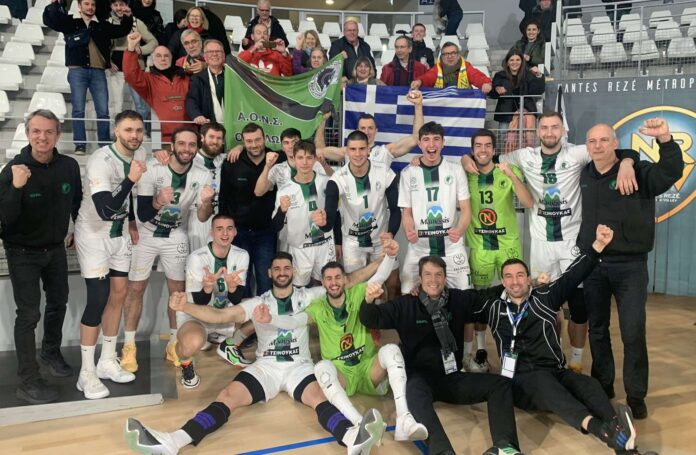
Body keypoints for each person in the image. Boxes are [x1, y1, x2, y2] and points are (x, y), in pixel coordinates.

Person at [125, 252, 387, 455]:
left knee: (320, 398)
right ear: (269, 272)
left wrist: (384, 259)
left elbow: (350, 280)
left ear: (294, 272)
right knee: (227, 397)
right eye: (277, 268)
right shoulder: (258, 302)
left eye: (287, 268)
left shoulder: (310, 296)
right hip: (267, 367)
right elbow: (221, 315)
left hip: (300, 366)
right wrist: (186, 307)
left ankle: (351, 438)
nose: (282, 272)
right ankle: (173, 441)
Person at [420, 224, 644, 454]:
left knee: (589, 384)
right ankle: (601, 430)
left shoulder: (546, 297)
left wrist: (598, 245)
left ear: (529, 279)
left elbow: (574, 274)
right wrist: (422, 292)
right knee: (543, 382)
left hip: (555, 371)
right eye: (509, 277)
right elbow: (455, 300)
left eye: (520, 276)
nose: (515, 281)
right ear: (502, 282)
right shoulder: (492, 306)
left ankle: (621, 436)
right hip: (520, 381)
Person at [461, 112, 639, 374]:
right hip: (541, 244)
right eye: (544, 127)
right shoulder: (524, 156)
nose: (549, 132)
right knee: (544, 304)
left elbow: (615, 151)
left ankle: (576, 361)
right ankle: (550, 354)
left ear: (563, 131)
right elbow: (488, 157)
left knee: (578, 306)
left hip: (571, 242)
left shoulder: (577, 153)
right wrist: (465, 158)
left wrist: (628, 163)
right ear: (537, 132)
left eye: (555, 127)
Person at [264, 241, 429, 441]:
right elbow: (294, 321)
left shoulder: (357, 293)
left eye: (337, 277)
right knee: (321, 368)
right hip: (343, 375)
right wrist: (270, 319)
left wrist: (391, 256)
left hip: (368, 369)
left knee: (392, 350)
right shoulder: (318, 308)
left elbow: (380, 277)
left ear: (344, 280)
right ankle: (359, 423)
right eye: (328, 279)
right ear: (323, 283)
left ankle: (404, 418)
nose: (333, 282)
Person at [359, 256, 523, 455]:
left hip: (452, 377)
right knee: (413, 395)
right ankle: (442, 451)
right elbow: (372, 318)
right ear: (420, 278)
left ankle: (506, 447)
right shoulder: (405, 304)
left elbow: (486, 295)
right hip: (419, 379)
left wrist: (516, 284)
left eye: (438, 275)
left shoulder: (458, 300)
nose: (433, 280)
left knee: (501, 384)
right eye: (428, 275)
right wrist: (368, 300)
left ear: (445, 278)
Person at [578, 119, 684, 419]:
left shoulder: (638, 172)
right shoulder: (585, 173)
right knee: (597, 330)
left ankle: (636, 394)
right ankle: (603, 385)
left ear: (615, 143)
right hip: (594, 264)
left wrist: (664, 141)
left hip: (630, 267)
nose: (598, 146)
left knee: (633, 332)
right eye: (592, 141)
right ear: (587, 146)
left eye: (604, 140)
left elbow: (671, 171)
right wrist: (628, 157)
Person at [0, 110, 82, 404]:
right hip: (22, 252)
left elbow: (77, 201)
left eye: (49, 131)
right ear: (27, 133)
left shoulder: (69, 166)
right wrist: (17, 187)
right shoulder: (13, 169)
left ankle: (50, 352)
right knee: (29, 314)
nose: (42, 137)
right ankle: (28, 379)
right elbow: (5, 218)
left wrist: (76, 229)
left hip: (55, 249)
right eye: (36, 131)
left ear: (58, 135)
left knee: (58, 302)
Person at [121, 127, 214, 371]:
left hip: (176, 234)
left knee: (178, 292)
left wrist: (206, 202)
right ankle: (129, 347)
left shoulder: (203, 174)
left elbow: (203, 217)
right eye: (181, 144)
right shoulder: (154, 168)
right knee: (136, 289)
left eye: (191, 145)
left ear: (197, 147)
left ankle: (174, 344)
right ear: (171, 146)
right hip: (146, 233)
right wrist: (159, 201)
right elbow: (143, 213)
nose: (186, 149)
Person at [72, 110, 146, 399]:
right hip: (94, 235)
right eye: (128, 130)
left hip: (119, 234)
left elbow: (127, 200)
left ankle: (106, 361)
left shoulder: (137, 156)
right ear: (116, 131)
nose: (134, 136)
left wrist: (131, 222)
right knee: (98, 299)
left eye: (139, 130)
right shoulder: (100, 160)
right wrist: (130, 179)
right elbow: (105, 209)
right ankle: (86, 373)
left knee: (119, 294)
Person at [462, 129, 533, 374]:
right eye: (478, 146)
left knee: (517, 297)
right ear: (472, 150)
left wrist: (512, 176)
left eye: (487, 146)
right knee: (479, 302)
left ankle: (519, 349)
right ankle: (481, 350)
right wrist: (463, 160)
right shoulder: (465, 173)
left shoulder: (507, 171)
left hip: (507, 246)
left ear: (494, 149)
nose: (482, 150)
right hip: (480, 248)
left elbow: (528, 202)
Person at [43, 0, 134, 155]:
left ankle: (104, 143)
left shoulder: (101, 25)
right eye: (86, 4)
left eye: (92, 5)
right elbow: (50, 21)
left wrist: (128, 16)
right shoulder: (70, 21)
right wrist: (54, 4)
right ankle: (80, 144)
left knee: (103, 110)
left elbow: (122, 30)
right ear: (79, 6)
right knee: (78, 110)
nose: (90, 7)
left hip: (98, 71)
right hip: (77, 70)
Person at [321, 129, 402, 299]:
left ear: (368, 150)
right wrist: (322, 223)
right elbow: (330, 220)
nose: (357, 154)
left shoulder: (385, 172)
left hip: (381, 239)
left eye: (361, 149)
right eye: (353, 149)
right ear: (346, 151)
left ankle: (385, 314)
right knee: (355, 289)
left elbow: (395, 210)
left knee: (392, 284)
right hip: (353, 242)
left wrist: (391, 234)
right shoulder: (337, 179)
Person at [174, 214, 249, 388]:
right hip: (198, 315)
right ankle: (184, 361)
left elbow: (236, 299)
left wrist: (232, 287)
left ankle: (229, 344)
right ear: (211, 232)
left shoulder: (241, 255)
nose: (225, 233)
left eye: (229, 229)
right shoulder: (197, 257)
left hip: (224, 315)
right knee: (192, 344)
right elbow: (199, 301)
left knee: (261, 309)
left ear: (235, 232)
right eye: (219, 229)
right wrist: (207, 288)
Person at [399, 121, 472, 294]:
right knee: (407, 294)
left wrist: (459, 230)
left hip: (451, 248)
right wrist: (409, 230)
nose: (431, 144)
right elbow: (406, 212)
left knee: (466, 297)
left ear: (443, 142)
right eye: (426, 139)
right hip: (419, 249)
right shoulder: (408, 173)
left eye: (436, 139)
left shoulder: (455, 170)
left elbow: (466, 209)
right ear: (419, 143)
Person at [219, 123, 280, 297]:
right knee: (240, 279)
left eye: (258, 140)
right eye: (249, 141)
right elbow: (224, 197)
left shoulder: (277, 159)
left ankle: (264, 313)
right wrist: (224, 229)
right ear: (243, 142)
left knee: (265, 279)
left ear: (265, 139)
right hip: (239, 231)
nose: (254, 145)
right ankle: (242, 313)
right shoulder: (232, 162)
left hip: (266, 232)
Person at [271, 141, 335, 286]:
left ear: (315, 159)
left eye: (309, 158)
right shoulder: (285, 190)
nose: (305, 162)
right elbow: (275, 226)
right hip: (300, 248)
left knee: (325, 286)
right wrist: (282, 211)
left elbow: (335, 215)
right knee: (298, 289)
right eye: (300, 158)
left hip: (325, 245)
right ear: (293, 159)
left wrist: (338, 243)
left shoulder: (327, 182)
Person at [315, 90, 424, 168]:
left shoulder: (385, 152)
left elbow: (416, 138)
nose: (366, 132)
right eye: (363, 128)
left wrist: (418, 106)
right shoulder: (348, 152)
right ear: (357, 130)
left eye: (370, 128)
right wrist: (323, 120)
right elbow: (320, 151)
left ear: (376, 130)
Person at [123, 32, 190, 145]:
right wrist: (131, 48)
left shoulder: (186, 77)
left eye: (166, 56)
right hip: (166, 139)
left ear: (171, 58)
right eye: (158, 56)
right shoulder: (148, 80)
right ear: (152, 60)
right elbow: (130, 74)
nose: (163, 59)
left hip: (190, 135)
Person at [107, 0, 157, 135]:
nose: (119, 8)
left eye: (122, 4)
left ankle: (142, 133)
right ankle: (116, 133)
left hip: (136, 68)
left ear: (127, 6)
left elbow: (153, 42)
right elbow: (101, 45)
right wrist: (108, 62)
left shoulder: (136, 22)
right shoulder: (108, 22)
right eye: (116, 5)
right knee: (116, 103)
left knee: (140, 105)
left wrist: (140, 50)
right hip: (115, 69)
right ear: (111, 6)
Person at [490, 49, 546, 152]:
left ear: (522, 62)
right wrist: (496, 89)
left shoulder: (528, 75)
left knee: (527, 137)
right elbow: (492, 93)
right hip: (505, 113)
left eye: (517, 60)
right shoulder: (499, 75)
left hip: (526, 111)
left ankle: (527, 156)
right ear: (507, 62)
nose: (514, 62)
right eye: (511, 60)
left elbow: (538, 90)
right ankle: (506, 158)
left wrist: (538, 75)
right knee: (503, 137)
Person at [187, 123, 227, 253]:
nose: (215, 141)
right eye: (211, 137)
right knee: (198, 259)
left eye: (219, 138)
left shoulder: (225, 159)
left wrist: (239, 147)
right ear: (202, 138)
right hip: (197, 218)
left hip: (220, 217)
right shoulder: (189, 160)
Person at [411, 42, 492, 94]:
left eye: (453, 53)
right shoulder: (437, 69)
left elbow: (478, 77)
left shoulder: (466, 67)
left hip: (463, 107)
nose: (450, 56)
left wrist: (485, 84)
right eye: (446, 54)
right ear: (442, 57)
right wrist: (419, 81)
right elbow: (428, 77)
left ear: (458, 55)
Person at [186, 39, 227, 125]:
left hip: (232, 126)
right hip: (208, 127)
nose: (214, 54)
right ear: (205, 57)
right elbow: (191, 100)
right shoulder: (197, 79)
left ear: (223, 55)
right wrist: (197, 115)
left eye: (218, 51)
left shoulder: (233, 76)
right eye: (210, 52)